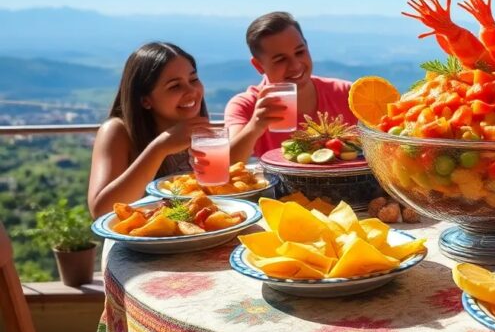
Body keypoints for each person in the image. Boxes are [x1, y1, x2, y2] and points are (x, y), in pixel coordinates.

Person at [87, 42, 210, 217]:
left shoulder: (197, 130)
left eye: (193, 79)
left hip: (198, 237)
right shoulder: (117, 130)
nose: (191, 91)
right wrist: (159, 148)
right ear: (145, 100)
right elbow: (101, 210)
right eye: (175, 86)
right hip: (139, 243)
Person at [225, 11, 356, 160]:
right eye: (280, 60)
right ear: (258, 66)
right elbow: (227, 164)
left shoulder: (346, 93)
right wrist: (255, 127)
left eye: (300, 52)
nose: (295, 66)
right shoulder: (245, 105)